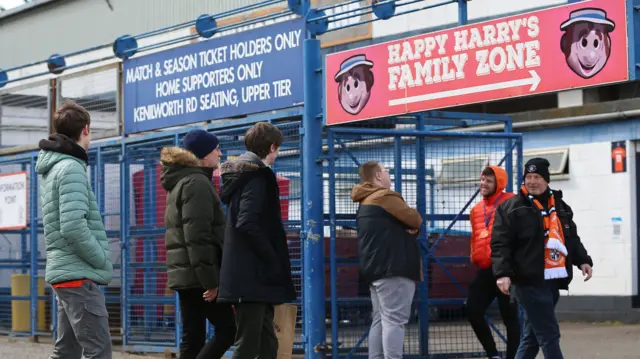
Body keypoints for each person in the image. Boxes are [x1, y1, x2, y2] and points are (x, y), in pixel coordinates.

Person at [491, 158, 594, 359]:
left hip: (552, 280)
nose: (532, 181)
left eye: (537, 177)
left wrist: (583, 260)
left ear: (546, 180)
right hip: (526, 281)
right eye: (528, 177)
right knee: (549, 334)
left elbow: (570, 237)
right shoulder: (511, 207)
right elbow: (500, 243)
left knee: (532, 338)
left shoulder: (560, 205)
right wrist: (502, 273)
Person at [35, 100, 113, 359]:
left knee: (66, 352)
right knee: (98, 351)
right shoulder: (70, 168)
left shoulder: (54, 167)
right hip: (78, 275)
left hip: (65, 274)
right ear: (86, 130)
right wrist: (101, 258)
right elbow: (73, 226)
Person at [217, 122, 296, 359]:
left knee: (266, 343)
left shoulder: (241, 176)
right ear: (271, 147)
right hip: (252, 275)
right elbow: (247, 222)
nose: (277, 153)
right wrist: (271, 258)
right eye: (278, 148)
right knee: (249, 343)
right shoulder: (258, 177)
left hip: (249, 276)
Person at [160, 129, 236, 359]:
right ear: (204, 155)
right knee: (227, 330)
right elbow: (197, 237)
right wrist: (211, 282)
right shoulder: (197, 183)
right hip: (198, 276)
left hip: (187, 275)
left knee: (193, 337)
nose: (220, 153)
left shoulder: (182, 181)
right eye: (216, 149)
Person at [350, 160, 423, 359]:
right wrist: (412, 225)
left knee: (380, 320)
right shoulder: (385, 196)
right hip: (394, 268)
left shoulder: (364, 200)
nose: (388, 174)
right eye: (386, 171)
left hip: (375, 269)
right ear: (378, 176)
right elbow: (415, 219)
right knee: (395, 321)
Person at [467, 166, 520, 359]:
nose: (483, 184)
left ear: (499, 183)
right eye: (482, 180)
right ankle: (493, 355)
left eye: (489, 181)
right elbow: (475, 236)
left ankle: (513, 357)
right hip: (485, 269)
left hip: (508, 268)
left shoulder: (512, 202)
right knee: (473, 309)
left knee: (510, 316)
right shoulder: (476, 209)